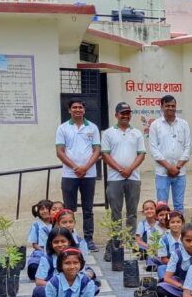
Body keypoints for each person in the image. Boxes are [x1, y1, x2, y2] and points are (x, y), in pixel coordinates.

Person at [55, 98, 101, 251]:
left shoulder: (93, 128)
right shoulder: (63, 128)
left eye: (80, 107)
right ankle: (70, 238)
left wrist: (85, 167)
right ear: (69, 110)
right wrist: (75, 167)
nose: (77, 110)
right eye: (74, 107)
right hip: (69, 174)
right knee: (68, 209)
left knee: (88, 209)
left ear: (84, 110)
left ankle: (88, 239)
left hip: (88, 174)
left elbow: (96, 150)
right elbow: (60, 152)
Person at [102, 102, 146, 230]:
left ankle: (131, 242)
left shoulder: (137, 133)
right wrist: (120, 169)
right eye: (122, 113)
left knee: (132, 213)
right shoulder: (108, 133)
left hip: (133, 177)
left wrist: (130, 169)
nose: (125, 116)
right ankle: (117, 242)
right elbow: (105, 155)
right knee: (116, 213)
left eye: (128, 113)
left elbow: (141, 154)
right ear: (116, 115)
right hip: (115, 178)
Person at [148, 95, 191, 213]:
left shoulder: (184, 124)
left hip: (180, 172)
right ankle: (162, 230)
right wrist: (168, 167)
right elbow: (154, 150)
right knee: (162, 205)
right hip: (162, 173)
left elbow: (188, 148)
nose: (170, 108)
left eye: (173, 106)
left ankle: (179, 229)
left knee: (179, 205)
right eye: (167, 106)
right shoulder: (155, 125)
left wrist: (177, 168)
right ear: (161, 107)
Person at [32, 227, 77, 297]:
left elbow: (81, 275)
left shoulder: (75, 257)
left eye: (63, 241)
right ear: (50, 243)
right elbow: (39, 281)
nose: (60, 245)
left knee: (92, 287)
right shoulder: (47, 259)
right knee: (38, 290)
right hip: (53, 289)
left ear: (69, 242)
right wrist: (60, 287)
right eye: (56, 242)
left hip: (72, 289)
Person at [157, 223, 192, 297]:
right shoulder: (176, 254)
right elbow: (167, 278)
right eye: (188, 240)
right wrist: (182, 287)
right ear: (181, 240)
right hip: (180, 285)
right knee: (161, 288)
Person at [26, 199, 53, 280]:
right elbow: (34, 244)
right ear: (38, 212)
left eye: (47, 208)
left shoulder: (56, 224)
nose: (44, 211)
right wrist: (44, 251)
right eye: (42, 209)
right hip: (41, 251)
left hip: (55, 251)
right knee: (33, 267)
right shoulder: (36, 225)